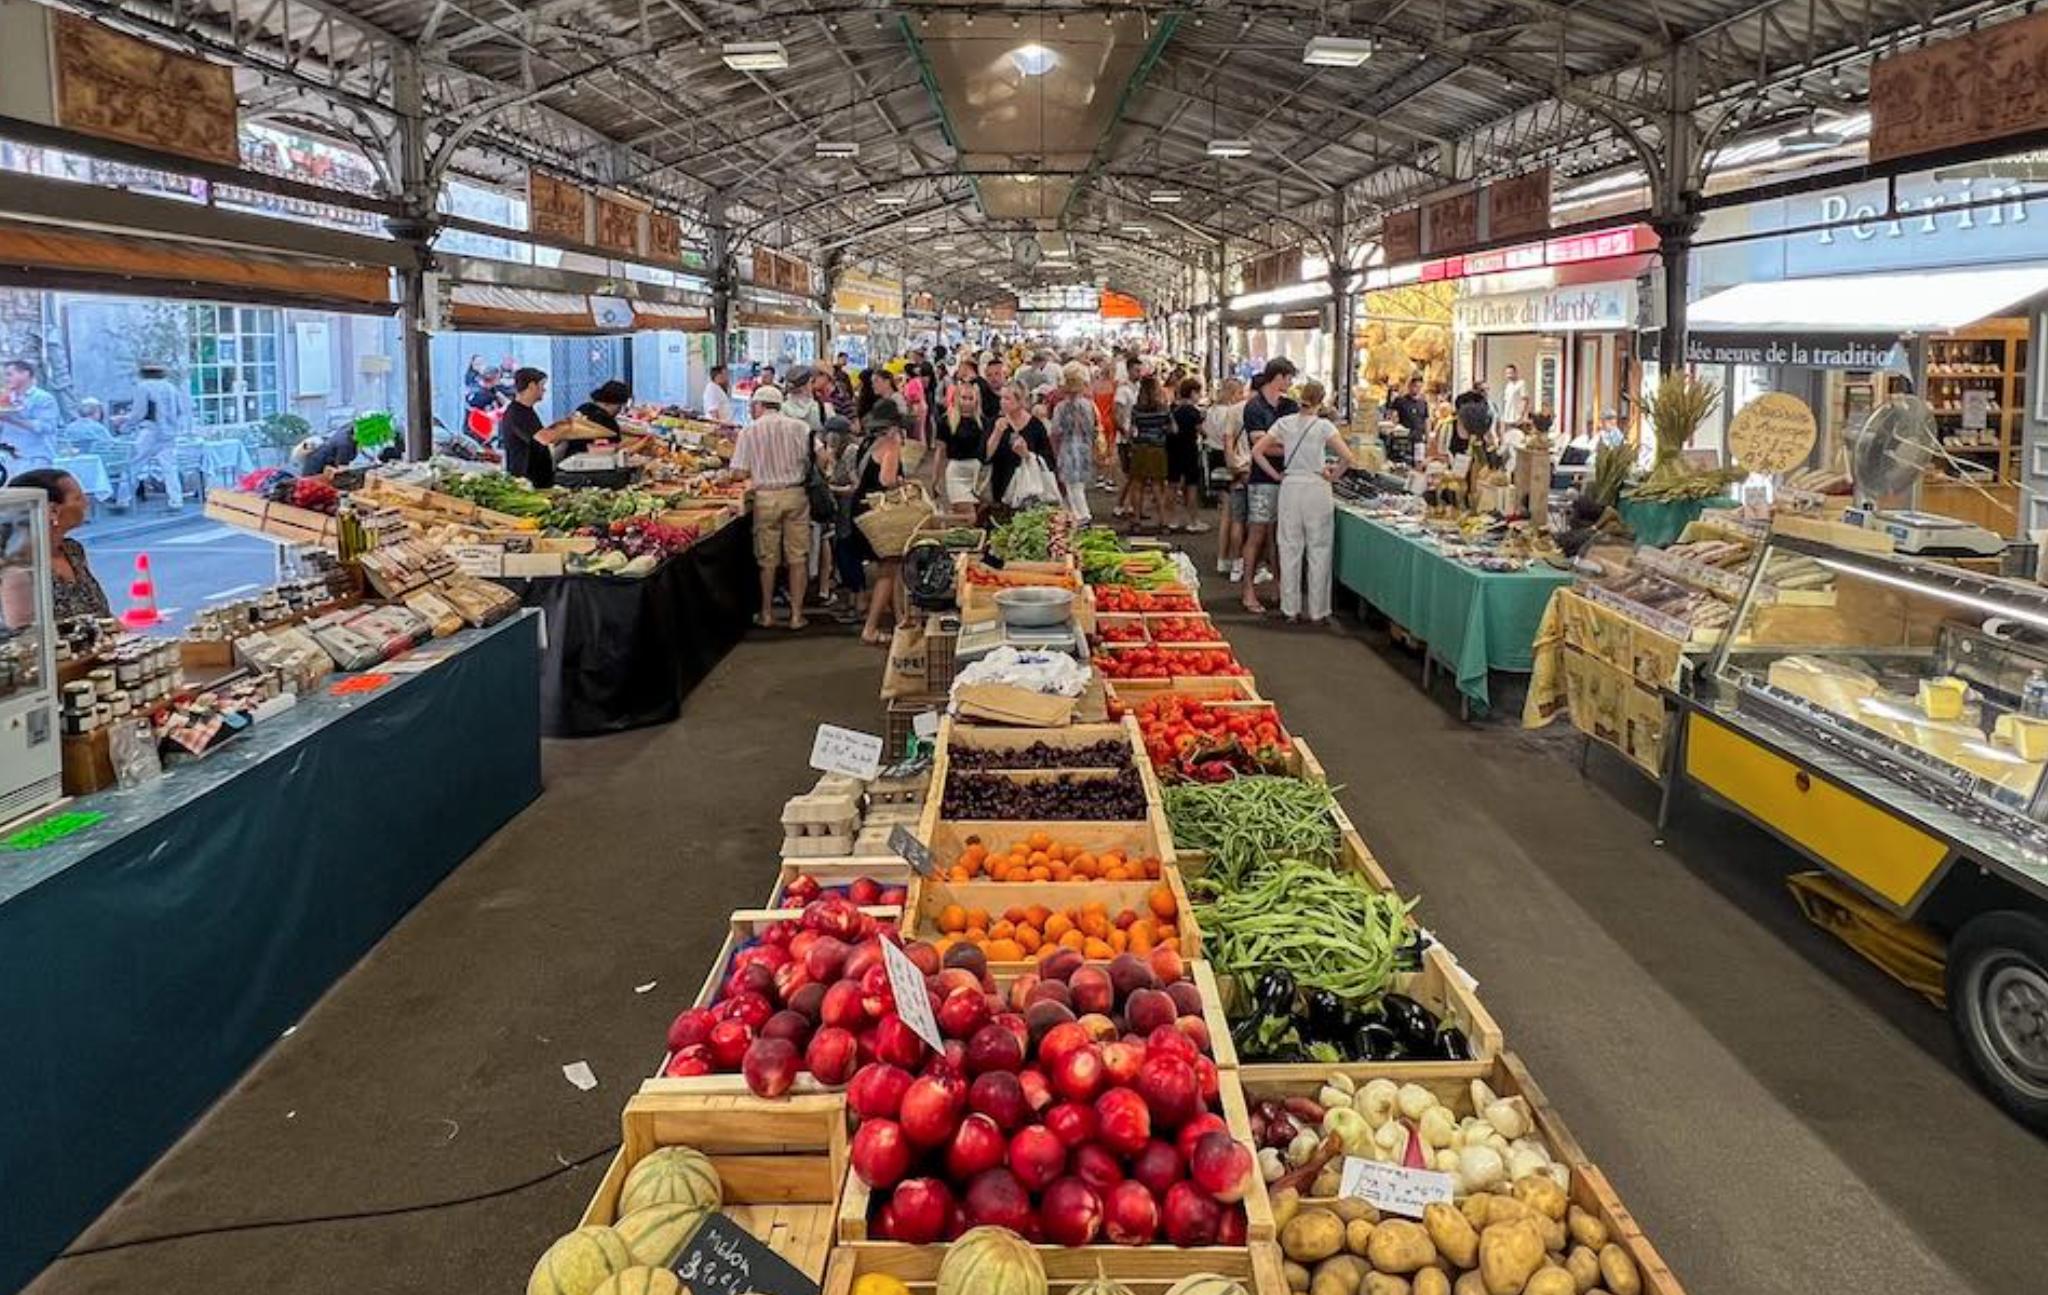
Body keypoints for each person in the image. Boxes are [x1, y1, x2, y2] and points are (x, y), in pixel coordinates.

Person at [1254, 381, 1357, 626]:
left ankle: (1290, 609)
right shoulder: (1324, 426)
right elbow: (1348, 458)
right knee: (1319, 549)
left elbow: (1257, 451)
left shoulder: (1285, 423)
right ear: (1321, 401)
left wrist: (1277, 475)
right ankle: (1318, 611)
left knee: (1289, 547)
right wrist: (1332, 476)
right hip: (1317, 488)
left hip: (1290, 487)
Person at [728, 384, 818, 630]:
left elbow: (740, 471)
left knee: (767, 559)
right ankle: (797, 616)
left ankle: (767, 614)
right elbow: (821, 457)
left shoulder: (750, 431)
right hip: (796, 495)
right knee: (798, 557)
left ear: (758, 405)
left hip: (765, 498)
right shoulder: (801, 427)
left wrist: (726, 476)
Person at [2, 468, 109, 625]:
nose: (86, 503)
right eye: (78, 498)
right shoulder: (17, 566)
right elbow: (24, 635)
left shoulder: (73, 550)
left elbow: (102, 614)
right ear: (53, 510)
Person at [1239, 359, 1299, 614]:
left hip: (1287, 478)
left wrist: (1279, 445)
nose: (1291, 383)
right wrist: (1288, 447)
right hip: (1262, 481)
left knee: (1280, 536)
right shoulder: (1254, 407)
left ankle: (1280, 587)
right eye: (1289, 378)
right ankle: (1248, 590)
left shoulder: (1290, 405)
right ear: (1279, 377)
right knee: (1257, 534)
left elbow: (1283, 440)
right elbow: (1261, 446)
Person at [851, 401, 908, 645]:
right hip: (879, 511)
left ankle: (900, 619)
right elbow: (886, 479)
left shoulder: (867, 443)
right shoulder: (891, 444)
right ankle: (871, 628)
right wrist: (902, 482)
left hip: (860, 506)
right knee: (889, 567)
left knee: (890, 567)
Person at [124, 361, 192, 510]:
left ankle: (124, 498)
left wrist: (126, 425)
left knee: (134, 463)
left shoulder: (143, 387)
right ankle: (176, 500)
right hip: (169, 433)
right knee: (169, 467)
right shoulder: (171, 387)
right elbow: (181, 410)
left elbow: (139, 413)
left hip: (150, 430)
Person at [985, 382, 1056, 511]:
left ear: (1020, 401)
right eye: (1001, 398)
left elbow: (1049, 460)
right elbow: (985, 456)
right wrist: (996, 433)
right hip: (1001, 486)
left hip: (1031, 488)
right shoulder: (994, 422)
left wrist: (1027, 455)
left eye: (1007, 398)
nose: (1002, 402)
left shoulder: (1036, 426)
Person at [1049, 362, 1099, 524]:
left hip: (1067, 449)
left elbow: (1055, 432)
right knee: (1078, 486)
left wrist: (1054, 452)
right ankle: (1075, 516)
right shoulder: (1089, 405)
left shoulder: (1060, 408)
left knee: (1072, 487)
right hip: (1084, 448)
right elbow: (1093, 429)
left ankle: (1082, 516)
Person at [1208, 378, 1249, 578]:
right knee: (1235, 516)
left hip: (1216, 458)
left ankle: (1222, 558)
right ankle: (1234, 560)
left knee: (1225, 514)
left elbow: (1207, 433)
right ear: (1235, 393)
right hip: (1231, 460)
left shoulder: (1212, 411)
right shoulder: (1234, 412)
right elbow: (1230, 438)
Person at [933, 359, 985, 509]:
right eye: (964, 398)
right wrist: (935, 479)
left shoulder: (982, 422)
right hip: (956, 472)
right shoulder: (946, 421)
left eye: (971, 399)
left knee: (972, 518)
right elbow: (940, 452)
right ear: (956, 398)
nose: (967, 402)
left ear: (976, 400)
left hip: (978, 474)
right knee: (966, 514)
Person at [500, 367, 565, 488]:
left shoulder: (527, 411)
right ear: (531, 386)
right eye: (542, 385)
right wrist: (570, 428)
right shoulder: (517, 413)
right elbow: (543, 438)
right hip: (527, 482)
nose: (544, 390)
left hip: (538, 479)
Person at [1126, 375, 1174, 530]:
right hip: (1157, 449)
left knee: (1137, 484)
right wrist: (1161, 431)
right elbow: (1173, 428)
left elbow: (1131, 430)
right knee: (1157, 486)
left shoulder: (1136, 409)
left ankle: (1137, 520)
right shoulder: (1163, 409)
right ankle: (1163, 521)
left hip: (1140, 448)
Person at [0, 359, 61, 477]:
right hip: (8, 457)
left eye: (9, 374)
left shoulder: (43, 398)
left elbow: (45, 427)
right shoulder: (5, 398)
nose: (6, 379)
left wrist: (12, 420)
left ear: (25, 374)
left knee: (32, 493)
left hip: (34, 458)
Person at [1168, 377, 1208, 533]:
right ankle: (1193, 520)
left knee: (1172, 484)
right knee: (1191, 486)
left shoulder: (1173, 408)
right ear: (1192, 393)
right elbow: (1202, 432)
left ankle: (1172, 519)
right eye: (1199, 393)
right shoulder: (1193, 411)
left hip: (1172, 450)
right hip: (1189, 450)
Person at [1385, 376, 1430, 464]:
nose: (1417, 389)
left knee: (1419, 464)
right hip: (1403, 439)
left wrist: (1428, 439)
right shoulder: (1400, 400)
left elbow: (1426, 420)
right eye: (1415, 386)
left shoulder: (1423, 403)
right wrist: (1393, 428)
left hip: (1419, 440)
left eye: (1420, 387)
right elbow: (1393, 417)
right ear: (1409, 386)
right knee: (1402, 463)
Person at [1498, 364, 1530, 428]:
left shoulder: (1521, 383)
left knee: (1517, 436)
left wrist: (1521, 416)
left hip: (1517, 418)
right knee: (1507, 436)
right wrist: (1503, 416)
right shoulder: (1508, 385)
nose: (1508, 375)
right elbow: (1505, 401)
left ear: (1515, 373)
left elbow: (1525, 400)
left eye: (1510, 373)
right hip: (1507, 417)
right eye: (1507, 373)